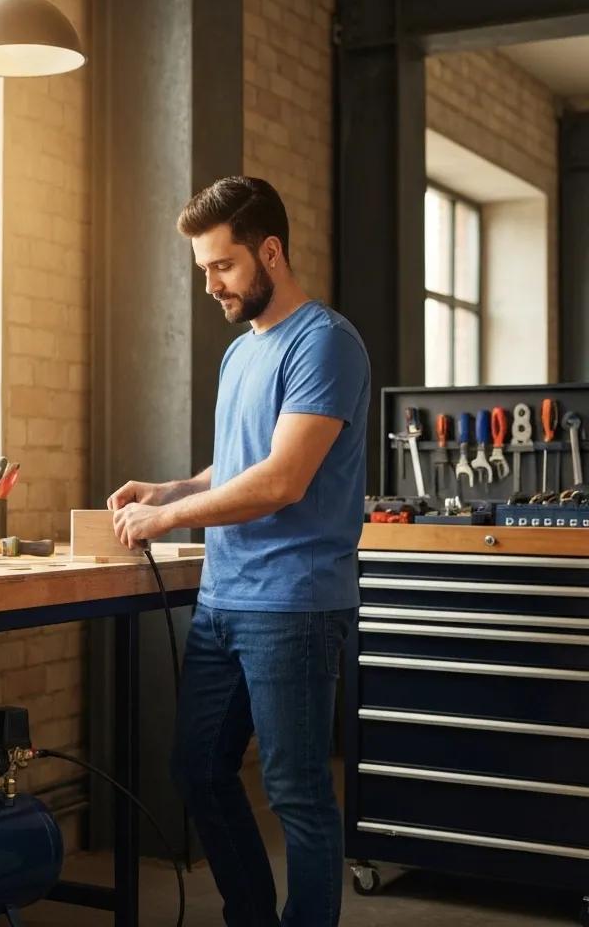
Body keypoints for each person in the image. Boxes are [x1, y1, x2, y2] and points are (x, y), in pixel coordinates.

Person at [107, 176, 370, 927]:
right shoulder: (239, 354)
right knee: (197, 771)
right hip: (224, 602)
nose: (210, 286)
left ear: (272, 252)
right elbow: (244, 460)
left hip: (294, 606)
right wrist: (169, 489)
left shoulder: (326, 343)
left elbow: (284, 479)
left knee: (297, 795)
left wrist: (171, 521)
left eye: (222, 267)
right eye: (202, 271)